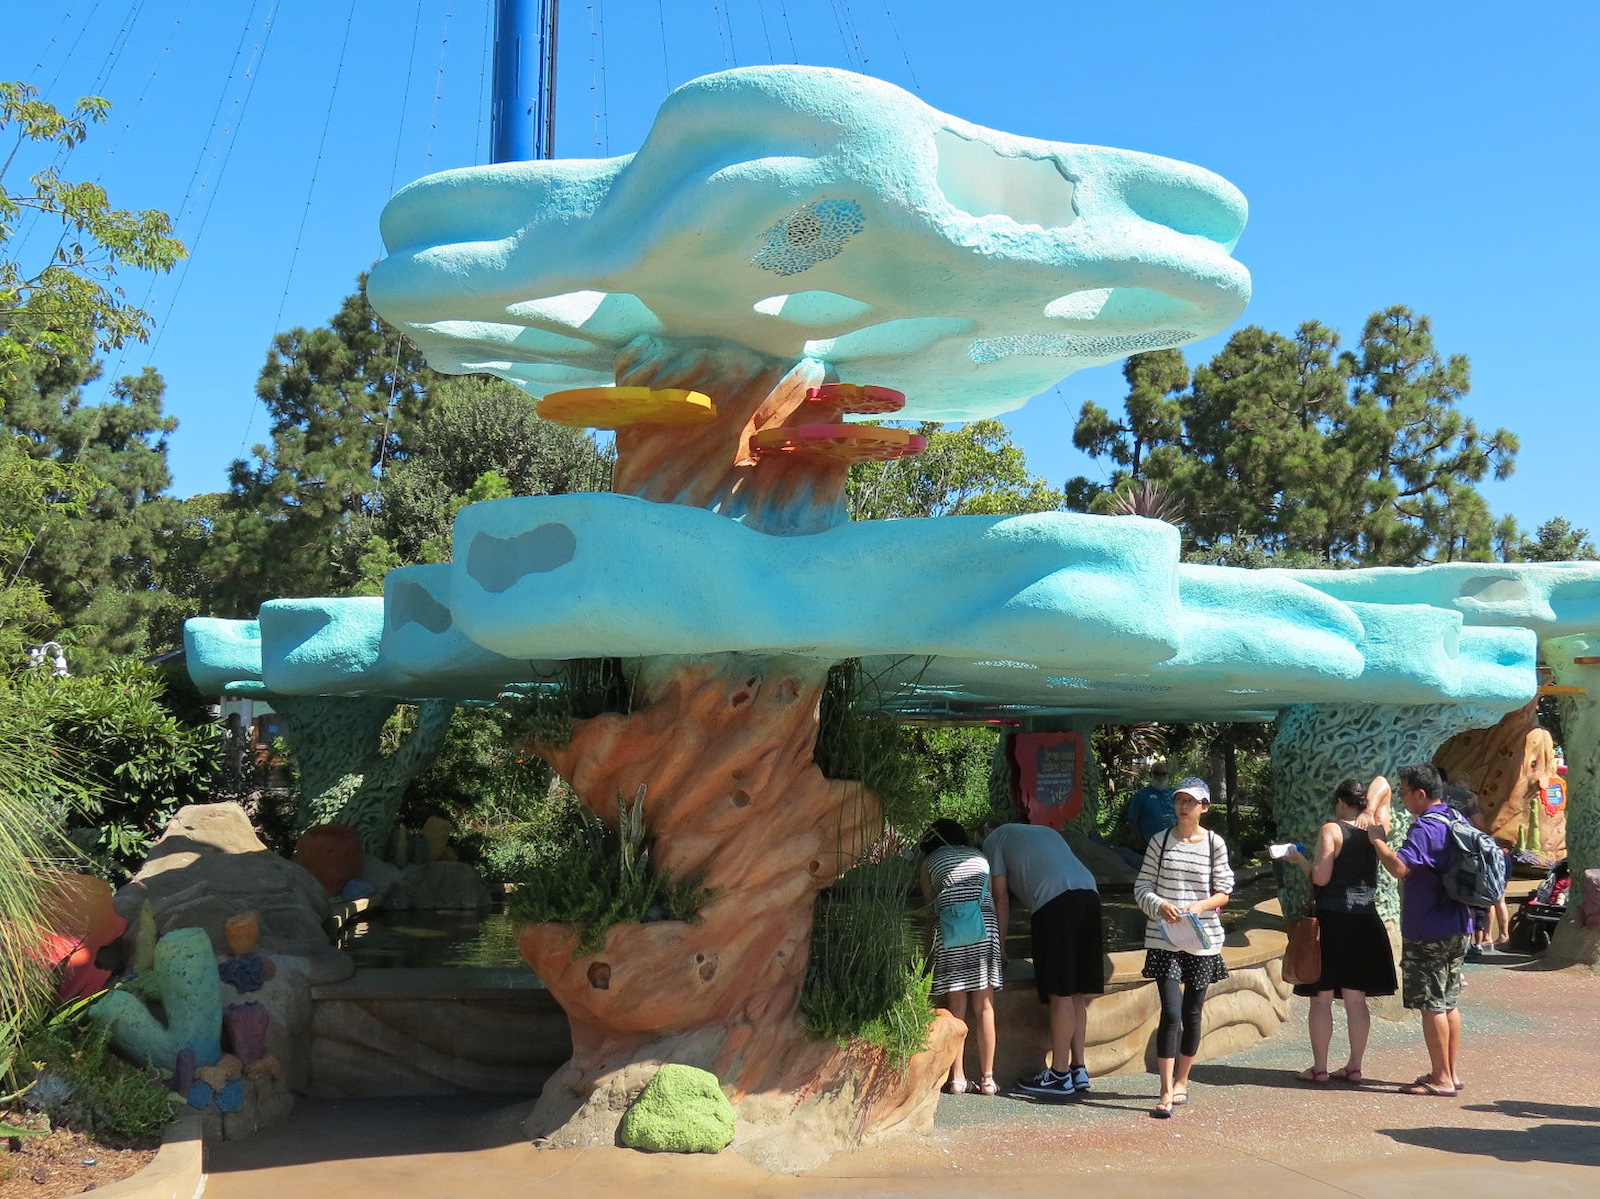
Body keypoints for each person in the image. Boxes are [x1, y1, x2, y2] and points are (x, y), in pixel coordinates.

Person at [1368, 762, 1473, 1097]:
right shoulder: (1456, 818)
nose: (1401, 797)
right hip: (1459, 923)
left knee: (1431, 1004)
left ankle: (1441, 1079)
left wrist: (1379, 842)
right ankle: (1450, 1073)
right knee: (1449, 1001)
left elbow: (1400, 868)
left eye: (1404, 792)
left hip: (1429, 928)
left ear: (1421, 794)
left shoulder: (1425, 827)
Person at [1284, 778, 1397, 1084]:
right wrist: (1372, 808)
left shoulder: (1331, 830)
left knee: (1321, 998)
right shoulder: (1377, 827)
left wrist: (1299, 859)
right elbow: (1384, 783)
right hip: (1364, 920)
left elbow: (1321, 878)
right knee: (1356, 999)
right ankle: (1355, 1066)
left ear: (1341, 803)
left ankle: (1320, 1068)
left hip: (1332, 921)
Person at [980, 819, 1103, 1098]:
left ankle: (1058, 1075)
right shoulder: (1045, 831)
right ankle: (1078, 1068)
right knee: (1076, 992)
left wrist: (998, 947)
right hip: (1089, 893)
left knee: (1059, 991)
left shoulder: (994, 839)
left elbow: (999, 896)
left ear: (986, 830)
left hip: (1055, 902)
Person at [1133, 777, 1233, 1117]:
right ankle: (1163, 1090)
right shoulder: (1160, 842)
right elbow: (1142, 886)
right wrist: (1159, 905)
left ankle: (1182, 1081)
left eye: (1191, 801)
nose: (1183, 806)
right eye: (1179, 800)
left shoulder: (1214, 844)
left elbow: (1225, 891)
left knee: (1192, 1012)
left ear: (1204, 807)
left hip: (1202, 940)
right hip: (1164, 939)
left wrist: (1202, 906)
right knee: (1171, 1012)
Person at [919, 819, 1003, 1095]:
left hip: (951, 930)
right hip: (984, 928)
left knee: (957, 1008)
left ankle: (957, 1078)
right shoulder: (980, 857)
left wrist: (926, 955)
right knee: (985, 1006)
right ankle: (988, 1079)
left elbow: (931, 911)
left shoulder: (930, 861)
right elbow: (987, 896)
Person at [1124, 762, 1178, 850]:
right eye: (1157, 773)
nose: (1160, 777)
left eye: (1163, 774)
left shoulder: (1174, 793)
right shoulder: (1141, 795)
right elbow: (1132, 819)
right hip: (1152, 846)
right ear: (1151, 774)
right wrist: (1140, 842)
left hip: (1175, 843)